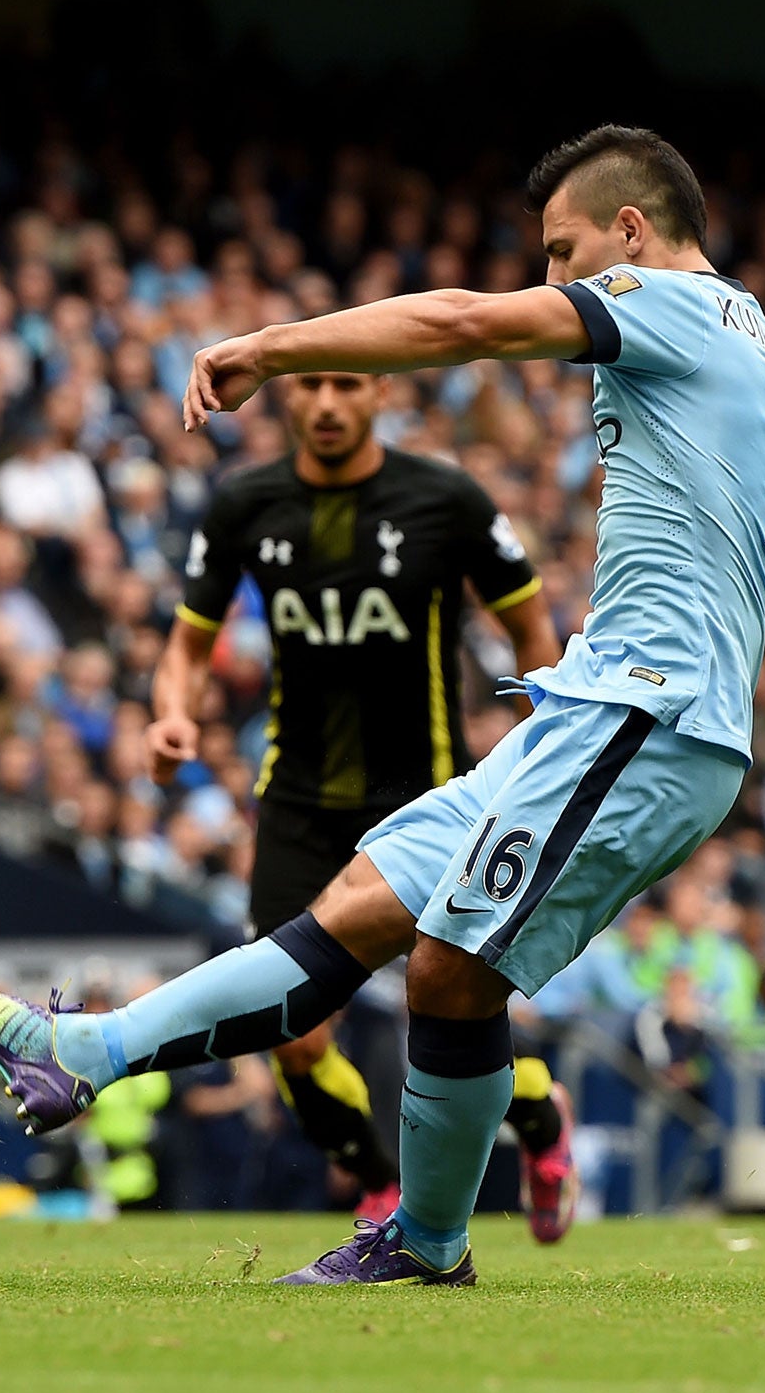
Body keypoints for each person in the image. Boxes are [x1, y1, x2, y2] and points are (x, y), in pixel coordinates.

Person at [0, 124, 765, 1285]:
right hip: (590, 711)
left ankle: (426, 1244)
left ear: (630, 229)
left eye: (564, 250)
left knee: (448, 970)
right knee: (362, 906)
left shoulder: (654, 300)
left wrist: (267, 346)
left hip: (648, 719)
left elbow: (462, 324)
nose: (559, 281)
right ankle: (82, 1051)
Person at [149, 366, 571, 1231]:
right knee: (289, 1033)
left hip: (425, 802)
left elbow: (532, 630)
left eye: (347, 383)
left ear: (380, 393)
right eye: (308, 387)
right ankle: (378, 1186)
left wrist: (541, 742)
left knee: (444, 1010)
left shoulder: (445, 500)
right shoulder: (243, 506)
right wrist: (171, 718)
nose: (328, 403)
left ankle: (539, 1114)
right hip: (298, 805)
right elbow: (190, 648)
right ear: (287, 399)